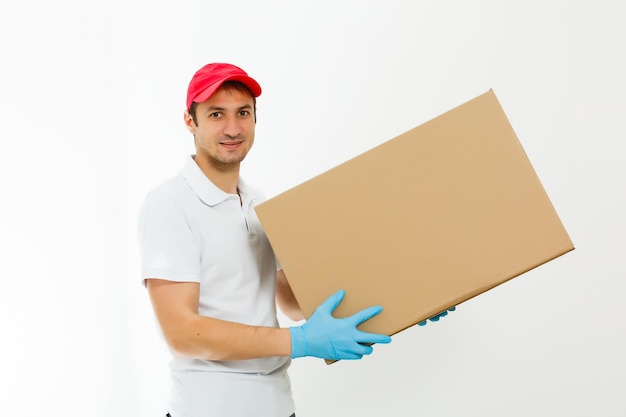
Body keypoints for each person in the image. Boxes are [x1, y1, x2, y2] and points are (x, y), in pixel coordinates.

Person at [137, 62, 449, 417]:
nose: (233, 127)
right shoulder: (169, 204)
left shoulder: (260, 204)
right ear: (190, 121)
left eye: (243, 112)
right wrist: (297, 341)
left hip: (278, 407)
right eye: (216, 114)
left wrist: (410, 297)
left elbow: (296, 301)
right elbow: (181, 332)